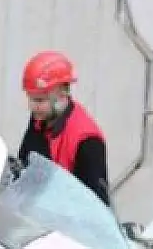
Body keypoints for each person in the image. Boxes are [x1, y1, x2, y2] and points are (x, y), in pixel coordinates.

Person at [17, 50, 110, 205]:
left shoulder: (87, 141)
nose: (32, 107)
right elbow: (25, 166)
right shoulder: (41, 118)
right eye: (30, 99)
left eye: (39, 100)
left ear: (63, 95)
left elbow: (96, 205)